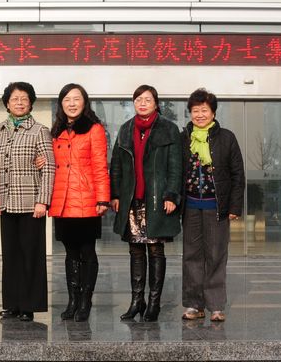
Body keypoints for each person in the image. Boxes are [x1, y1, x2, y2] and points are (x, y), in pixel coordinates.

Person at [110, 84, 182, 322]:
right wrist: (115, 195)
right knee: (135, 250)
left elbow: (175, 166)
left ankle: (154, 303)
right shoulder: (125, 129)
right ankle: (136, 301)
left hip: (158, 199)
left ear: (156, 103)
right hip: (132, 199)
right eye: (138, 99)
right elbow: (116, 165)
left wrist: (172, 195)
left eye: (147, 99)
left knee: (155, 249)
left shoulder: (169, 128)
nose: (142, 103)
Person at [0, 81, 55, 322]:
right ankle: (12, 304)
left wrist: (43, 201)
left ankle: (29, 305)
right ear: (7, 103)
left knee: (31, 255)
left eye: (24, 99)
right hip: (6, 202)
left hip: (31, 203)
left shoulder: (40, 130)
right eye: (15, 99)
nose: (19, 103)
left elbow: (48, 168)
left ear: (30, 104)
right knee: (10, 255)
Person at [181, 89, 245, 322]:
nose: (199, 115)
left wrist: (235, 207)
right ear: (190, 113)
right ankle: (194, 305)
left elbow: (238, 175)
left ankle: (216, 306)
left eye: (204, 110)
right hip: (190, 206)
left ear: (213, 112)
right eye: (195, 110)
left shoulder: (226, 137)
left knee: (216, 255)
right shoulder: (184, 137)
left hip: (216, 206)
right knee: (191, 256)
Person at [49, 83, 110, 322]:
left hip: (86, 199)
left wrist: (103, 198)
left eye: (76, 99)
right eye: (67, 99)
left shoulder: (94, 129)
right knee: (70, 253)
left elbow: (100, 165)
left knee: (87, 252)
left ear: (84, 102)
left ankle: (85, 301)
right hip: (63, 200)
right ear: (61, 104)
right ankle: (72, 300)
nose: (72, 103)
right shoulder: (56, 130)